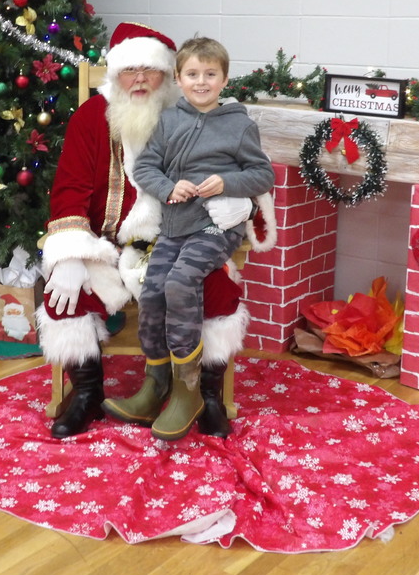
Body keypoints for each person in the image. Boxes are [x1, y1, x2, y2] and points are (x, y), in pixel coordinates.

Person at [36, 23, 273, 439]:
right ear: (116, 74)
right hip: (105, 245)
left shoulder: (190, 113)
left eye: (151, 70)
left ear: (169, 76)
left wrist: (244, 204)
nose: (141, 79)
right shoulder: (91, 118)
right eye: (131, 70)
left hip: (182, 237)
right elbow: (69, 188)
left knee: (216, 289)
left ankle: (205, 394)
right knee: (64, 294)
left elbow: (249, 172)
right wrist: (71, 253)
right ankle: (87, 393)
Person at [102, 37, 275, 441]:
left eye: (210, 74)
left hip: (215, 228)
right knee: (152, 290)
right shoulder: (169, 121)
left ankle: (188, 390)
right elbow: (145, 168)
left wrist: (226, 182)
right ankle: (156, 383)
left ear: (224, 80)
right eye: (192, 74)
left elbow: (262, 174)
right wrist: (168, 188)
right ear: (178, 79)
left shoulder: (238, 126)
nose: (201, 82)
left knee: (181, 282)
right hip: (175, 226)